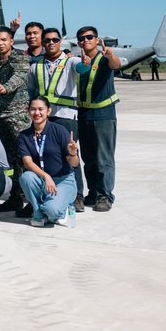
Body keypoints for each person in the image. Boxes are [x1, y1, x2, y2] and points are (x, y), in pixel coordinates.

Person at [27, 27, 84, 211]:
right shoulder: (36, 67)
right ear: (42, 43)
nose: (51, 43)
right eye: (47, 40)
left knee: (70, 153)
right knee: (41, 153)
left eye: (55, 40)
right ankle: (42, 192)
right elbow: (31, 90)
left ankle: (77, 196)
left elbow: (82, 68)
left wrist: (87, 63)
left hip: (66, 115)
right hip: (44, 117)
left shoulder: (70, 61)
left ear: (60, 42)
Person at [75, 27, 122, 212]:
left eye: (89, 37)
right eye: (82, 38)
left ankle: (105, 195)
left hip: (103, 115)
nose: (85, 40)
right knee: (89, 158)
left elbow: (116, 65)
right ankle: (93, 192)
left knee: (104, 158)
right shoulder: (77, 61)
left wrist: (110, 55)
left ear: (96, 39)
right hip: (83, 114)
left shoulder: (104, 58)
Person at [18, 96, 81, 227]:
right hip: (42, 179)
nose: (37, 113)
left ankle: (58, 210)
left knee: (52, 210)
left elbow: (74, 163)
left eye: (41, 109)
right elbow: (27, 163)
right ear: (28, 111)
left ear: (49, 111)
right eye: (33, 109)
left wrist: (73, 153)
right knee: (26, 177)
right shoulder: (24, 135)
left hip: (63, 181)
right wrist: (46, 176)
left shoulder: (59, 130)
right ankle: (39, 214)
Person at [0, 26, 30, 210]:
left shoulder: (20, 57)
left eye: (4, 39)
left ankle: (31, 199)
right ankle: (15, 197)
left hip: (17, 116)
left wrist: (6, 87)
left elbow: (20, 75)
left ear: (12, 41)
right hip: (0, 117)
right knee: (10, 160)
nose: (0, 43)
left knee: (25, 157)